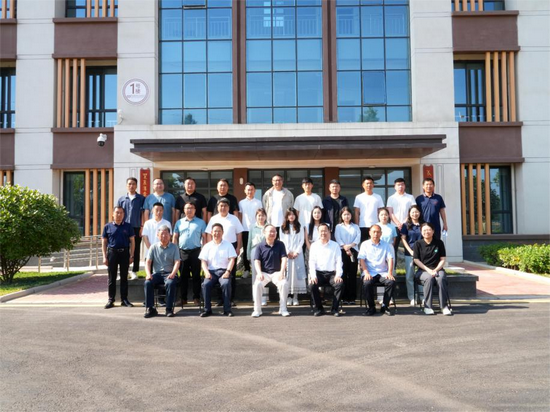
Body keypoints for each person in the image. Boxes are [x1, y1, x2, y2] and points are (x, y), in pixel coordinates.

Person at [205, 198, 244, 306]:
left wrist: (238, 247)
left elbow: (239, 233)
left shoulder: (234, 219)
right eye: (221, 206)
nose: (223, 208)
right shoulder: (213, 219)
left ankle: (230, 299)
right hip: (216, 247)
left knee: (231, 273)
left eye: (225, 206)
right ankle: (220, 299)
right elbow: (209, 234)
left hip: (231, 247)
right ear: (217, 207)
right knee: (217, 271)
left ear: (229, 207)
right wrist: (209, 247)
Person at [251, 225, 290, 318]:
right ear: (264, 233)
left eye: (274, 231)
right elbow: (257, 261)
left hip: (277, 272)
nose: (272, 233)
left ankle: (283, 309)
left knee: (284, 284)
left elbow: (284, 258)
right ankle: (257, 310)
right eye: (270, 231)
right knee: (257, 285)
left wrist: (282, 272)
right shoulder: (260, 246)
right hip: (264, 273)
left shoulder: (280, 244)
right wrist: (259, 273)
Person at [413, 222, 452, 316]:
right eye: (424, 230)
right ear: (421, 232)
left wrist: (436, 270)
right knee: (429, 278)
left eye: (429, 230)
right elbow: (416, 260)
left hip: (438, 269)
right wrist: (429, 270)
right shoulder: (418, 244)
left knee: (441, 278)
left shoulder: (439, 243)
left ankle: (444, 306)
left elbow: (443, 259)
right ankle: (428, 306)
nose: (427, 232)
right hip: (422, 271)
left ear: (433, 231)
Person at [173, 201, 206, 306]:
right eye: (187, 208)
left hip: (196, 251)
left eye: (191, 208)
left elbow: (204, 237)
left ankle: (196, 298)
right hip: (182, 252)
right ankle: (183, 298)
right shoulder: (179, 222)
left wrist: (204, 250)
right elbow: (175, 237)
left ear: (195, 210)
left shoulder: (201, 222)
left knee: (196, 276)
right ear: (184, 210)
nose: (189, 210)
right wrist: (175, 250)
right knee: (183, 276)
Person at [199, 223, 236, 317]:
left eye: (219, 231)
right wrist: (206, 272)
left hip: (224, 272)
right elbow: (203, 261)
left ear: (223, 232)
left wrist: (228, 272)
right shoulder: (207, 246)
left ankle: (227, 310)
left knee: (226, 284)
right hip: (211, 272)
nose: (217, 233)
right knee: (206, 284)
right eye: (215, 231)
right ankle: (207, 310)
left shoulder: (228, 245)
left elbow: (232, 260)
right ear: (211, 232)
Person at [101, 206, 135, 309]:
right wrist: (104, 256)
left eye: (121, 213)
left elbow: (132, 242)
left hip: (124, 253)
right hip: (112, 253)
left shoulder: (128, 226)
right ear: (113, 214)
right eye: (117, 212)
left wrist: (132, 255)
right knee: (112, 277)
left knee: (124, 277)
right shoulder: (107, 227)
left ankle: (124, 299)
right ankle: (111, 300)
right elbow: (104, 242)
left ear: (124, 214)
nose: (119, 215)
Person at [143, 225, 181, 318]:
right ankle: (150, 308)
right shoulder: (153, 247)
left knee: (170, 283)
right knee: (148, 282)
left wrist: (173, 274)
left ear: (170, 235)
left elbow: (177, 262)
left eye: (166, 234)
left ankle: (169, 309)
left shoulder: (174, 247)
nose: (164, 236)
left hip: (169, 274)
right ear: (158, 235)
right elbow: (148, 262)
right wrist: (148, 274)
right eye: (162, 234)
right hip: (157, 274)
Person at [358, 224, 396, 316]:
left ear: (381, 234)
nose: (376, 234)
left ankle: (385, 306)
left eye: (378, 232)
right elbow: (361, 259)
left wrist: (390, 273)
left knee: (391, 282)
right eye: (374, 232)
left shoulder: (386, 245)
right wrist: (366, 272)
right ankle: (371, 307)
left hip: (383, 272)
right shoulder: (365, 244)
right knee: (367, 283)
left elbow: (390, 259)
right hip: (370, 272)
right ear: (370, 233)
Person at [308, 223, 344, 317]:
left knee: (339, 284)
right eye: (321, 231)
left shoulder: (335, 245)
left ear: (329, 232)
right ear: (318, 232)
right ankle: (319, 308)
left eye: (325, 231)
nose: (323, 233)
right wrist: (313, 276)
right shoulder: (314, 245)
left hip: (332, 274)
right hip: (319, 274)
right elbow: (312, 262)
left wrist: (338, 275)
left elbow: (339, 262)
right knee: (312, 285)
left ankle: (334, 309)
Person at [116, 177, 145, 280]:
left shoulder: (141, 199)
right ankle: (123, 271)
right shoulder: (122, 199)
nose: (131, 186)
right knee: (123, 249)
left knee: (136, 249)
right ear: (126, 185)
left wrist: (142, 227)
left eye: (133, 184)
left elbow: (143, 213)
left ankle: (134, 271)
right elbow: (118, 213)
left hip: (136, 227)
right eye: (129, 184)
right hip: (124, 227)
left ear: (136, 186)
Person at [279, 208, 307, 306]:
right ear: (286, 216)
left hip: (297, 254)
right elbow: (282, 240)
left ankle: (295, 296)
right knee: (287, 276)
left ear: (296, 216)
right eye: (289, 214)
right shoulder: (282, 227)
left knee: (296, 276)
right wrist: (287, 252)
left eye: (293, 214)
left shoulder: (300, 226)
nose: (291, 216)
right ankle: (288, 296)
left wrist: (296, 252)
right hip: (287, 255)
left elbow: (302, 240)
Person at [335, 207, 361, 305]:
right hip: (342, 251)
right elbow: (338, 238)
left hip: (353, 250)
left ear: (351, 215)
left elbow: (358, 238)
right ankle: (344, 297)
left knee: (352, 274)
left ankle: (352, 297)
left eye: (348, 214)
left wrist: (350, 246)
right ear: (341, 216)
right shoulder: (338, 227)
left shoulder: (356, 227)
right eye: (344, 214)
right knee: (343, 273)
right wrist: (345, 247)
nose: (346, 216)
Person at [238, 182, 263, 278]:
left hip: (257, 229)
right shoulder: (241, 202)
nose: (250, 191)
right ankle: (247, 269)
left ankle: (259, 269)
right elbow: (240, 216)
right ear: (245, 191)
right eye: (248, 190)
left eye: (252, 189)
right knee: (246, 249)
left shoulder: (258, 202)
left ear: (255, 191)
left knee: (258, 248)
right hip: (245, 229)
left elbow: (261, 215)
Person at [401, 205, 424, 306]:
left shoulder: (423, 224)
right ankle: (412, 297)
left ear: (420, 213)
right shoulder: (406, 225)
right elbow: (403, 239)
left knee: (422, 275)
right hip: (409, 253)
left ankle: (423, 297)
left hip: (422, 254)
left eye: (416, 212)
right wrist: (410, 251)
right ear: (409, 214)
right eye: (413, 212)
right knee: (409, 276)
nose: (415, 214)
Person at [247, 208, 269, 306]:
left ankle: (264, 298)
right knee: (255, 275)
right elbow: (249, 241)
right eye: (259, 215)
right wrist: (248, 254)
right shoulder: (252, 227)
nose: (261, 217)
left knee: (264, 274)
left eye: (263, 215)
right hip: (254, 250)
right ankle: (256, 297)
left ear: (266, 216)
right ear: (256, 217)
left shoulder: (268, 227)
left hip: (266, 251)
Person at [354, 176, 384, 243]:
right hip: (362, 225)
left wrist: (381, 224)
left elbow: (381, 212)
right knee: (363, 244)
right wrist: (356, 226)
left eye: (370, 183)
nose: (369, 185)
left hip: (375, 225)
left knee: (375, 243)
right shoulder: (359, 197)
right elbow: (356, 212)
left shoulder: (378, 197)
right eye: (367, 183)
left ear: (373, 185)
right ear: (363, 185)